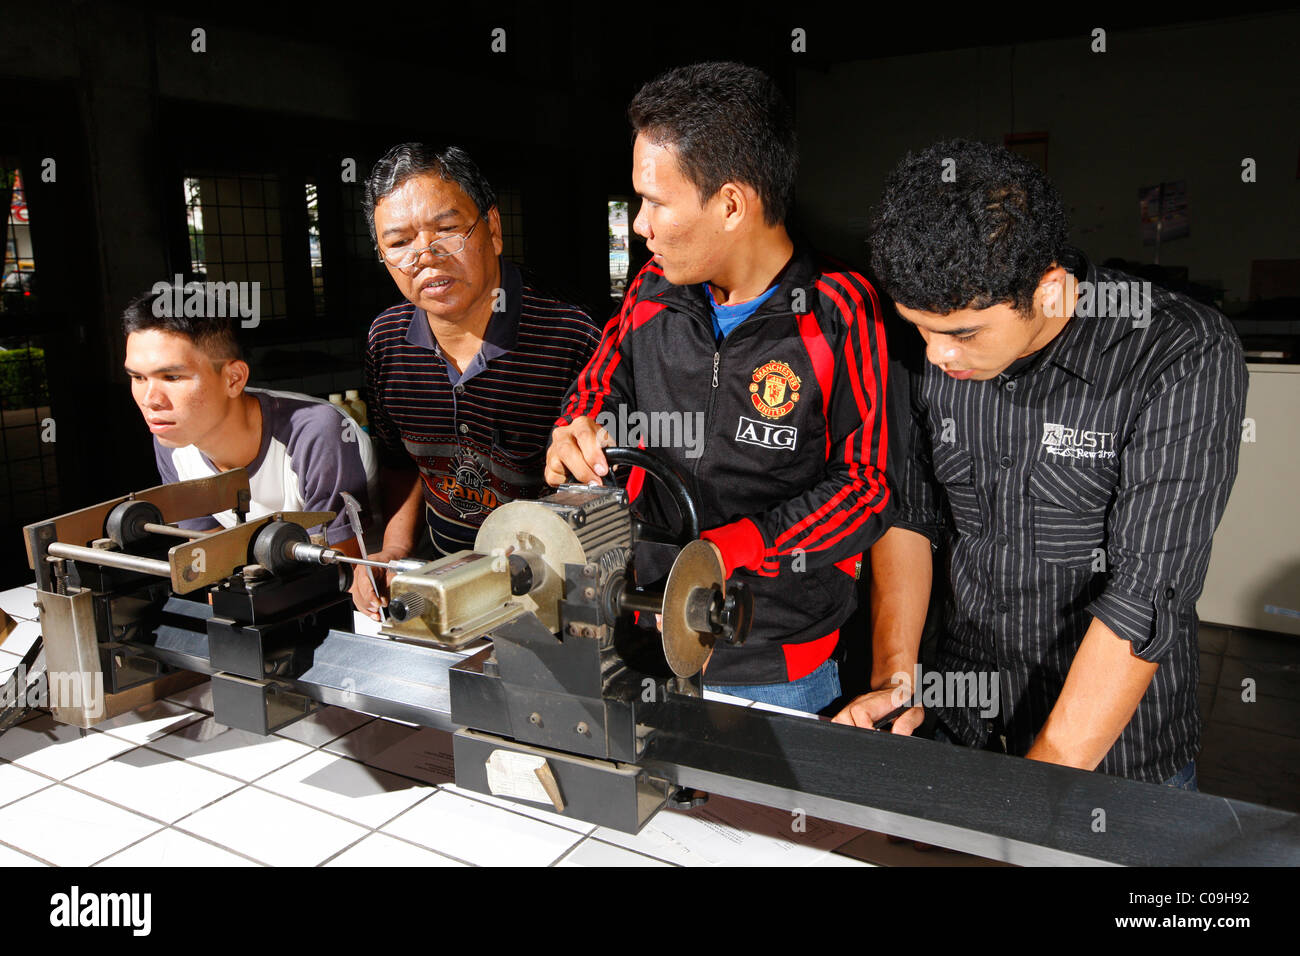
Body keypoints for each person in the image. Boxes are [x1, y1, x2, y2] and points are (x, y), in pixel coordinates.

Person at [834, 139, 1247, 789]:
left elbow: (1147, 595)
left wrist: (1031, 799)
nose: (938, 357)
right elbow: (910, 514)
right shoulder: (923, 351)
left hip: (1114, 760)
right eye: (919, 328)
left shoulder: (1177, 352)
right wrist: (896, 677)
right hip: (962, 721)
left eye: (964, 334)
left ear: (1051, 293)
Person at [546, 62, 893, 714]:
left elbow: (867, 489)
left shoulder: (842, 314)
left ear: (731, 204)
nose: (639, 226)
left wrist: (737, 547)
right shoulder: (651, 292)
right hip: (643, 630)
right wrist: (580, 427)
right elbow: (600, 385)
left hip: (775, 666)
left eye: (655, 202)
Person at [357, 144, 600, 619]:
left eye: (447, 229)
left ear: (493, 228)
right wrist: (392, 552)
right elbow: (400, 464)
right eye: (399, 242)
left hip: (557, 591)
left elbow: (606, 489)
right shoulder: (385, 341)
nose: (425, 256)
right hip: (445, 580)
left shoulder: (574, 333)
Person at [123, 293, 378, 555]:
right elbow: (212, 559)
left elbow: (338, 571)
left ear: (234, 379)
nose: (151, 400)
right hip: (269, 576)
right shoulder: (173, 438)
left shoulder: (316, 432)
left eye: (172, 377)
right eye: (138, 378)